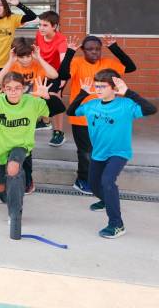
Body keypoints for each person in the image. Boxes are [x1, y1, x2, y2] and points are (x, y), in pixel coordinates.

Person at [67, 71, 156, 239]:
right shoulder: (92, 105)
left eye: (103, 86)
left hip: (119, 152)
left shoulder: (126, 105)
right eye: (97, 85)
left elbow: (151, 109)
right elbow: (71, 112)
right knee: (93, 185)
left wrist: (128, 92)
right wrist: (83, 93)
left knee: (107, 181)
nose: (98, 89)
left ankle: (116, 224)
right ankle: (107, 200)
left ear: (114, 88)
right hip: (98, 153)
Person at [0, 74, 55, 239]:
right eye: (9, 88)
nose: (13, 92)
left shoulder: (32, 102)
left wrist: (47, 97)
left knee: (13, 169)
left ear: (23, 88)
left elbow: (57, 109)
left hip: (21, 146)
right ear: (2, 89)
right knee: (1, 187)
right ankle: (5, 194)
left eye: (17, 88)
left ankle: (15, 213)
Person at [58, 35, 137, 194]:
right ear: (83, 50)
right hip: (82, 118)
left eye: (97, 49)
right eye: (90, 49)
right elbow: (63, 75)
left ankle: (95, 177)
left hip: (104, 118)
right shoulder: (77, 62)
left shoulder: (108, 64)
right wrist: (70, 52)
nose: (94, 52)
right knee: (86, 151)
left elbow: (130, 67)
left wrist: (114, 47)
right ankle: (82, 180)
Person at [35, 11, 68, 146]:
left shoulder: (61, 40)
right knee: (40, 97)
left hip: (58, 73)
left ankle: (59, 132)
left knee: (54, 99)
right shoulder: (39, 35)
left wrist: (62, 79)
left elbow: (64, 61)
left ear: (54, 26)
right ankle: (45, 122)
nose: (41, 28)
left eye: (45, 25)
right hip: (42, 72)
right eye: (40, 25)